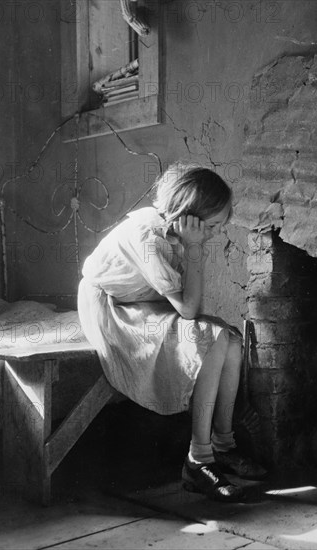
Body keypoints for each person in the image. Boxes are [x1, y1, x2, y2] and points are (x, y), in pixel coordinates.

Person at [77, 162, 267, 502]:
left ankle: (223, 444)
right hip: (114, 310)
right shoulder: (149, 239)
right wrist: (195, 250)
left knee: (230, 340)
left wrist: (193, 245)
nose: (214, 234)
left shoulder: (173, 231)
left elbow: (187, 307)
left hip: (144, 302)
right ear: (188, 216)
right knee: (211, 338)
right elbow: (190, 310)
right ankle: (199, 460)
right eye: (211, 226)